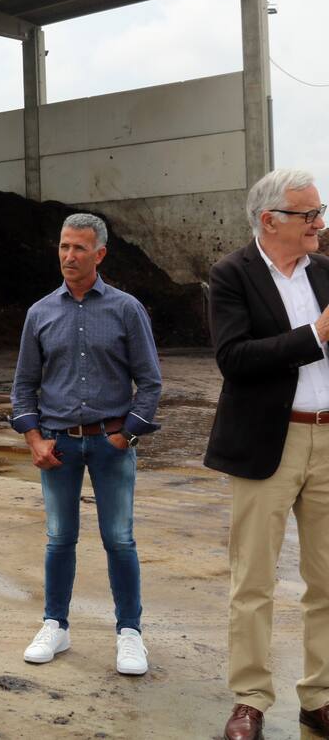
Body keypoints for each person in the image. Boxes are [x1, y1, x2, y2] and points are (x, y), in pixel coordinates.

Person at [205, 170, 329, 740]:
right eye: (309, 214)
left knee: (326, 580)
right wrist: (315, 335)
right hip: (266, 444)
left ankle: (319, 697)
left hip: (327, 439)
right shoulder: (231, 274)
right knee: (253, 581)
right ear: (270, 220)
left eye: (320, 211)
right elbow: (234, 358)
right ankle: (250, 699)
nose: (320, 223)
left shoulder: (325, 271)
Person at [10, 213, 161, 677]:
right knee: (59, 539)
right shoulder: (40, 313)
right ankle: (55, 625)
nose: (69, 256)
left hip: (111, 444)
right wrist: (34, 439)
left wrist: (125, 435)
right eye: (63, 246)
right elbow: (23, 386)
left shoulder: (126, 309)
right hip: (57, 446)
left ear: (100, 254)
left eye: (79, 248)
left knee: (120, 539)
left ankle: (129, 633)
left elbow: (150, 382)